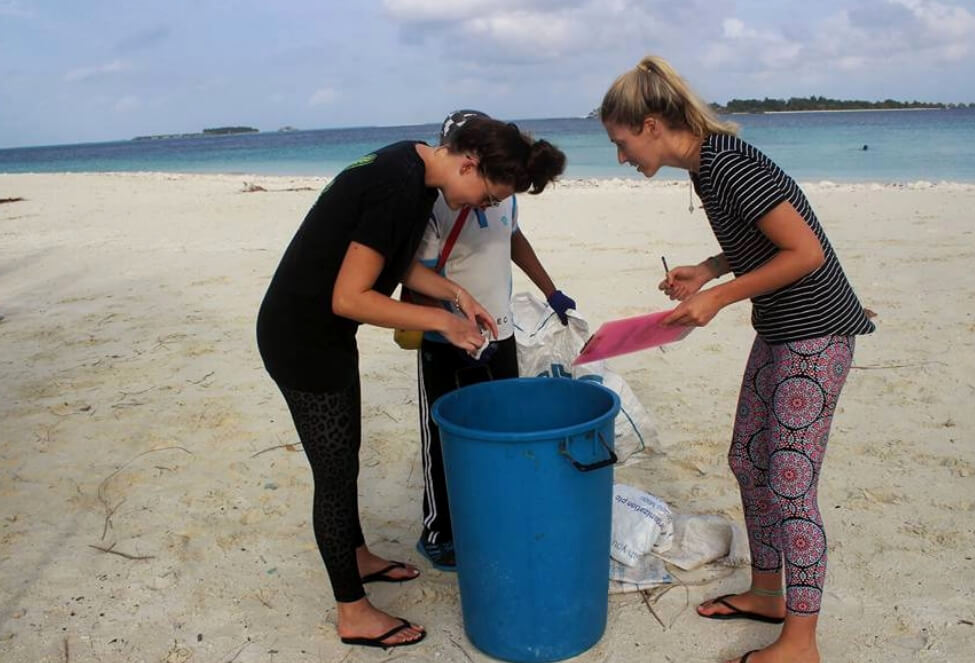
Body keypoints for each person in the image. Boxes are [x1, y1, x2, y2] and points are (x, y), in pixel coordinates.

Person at [600, 56, 875, 663]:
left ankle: (801, 642)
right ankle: (768, 592)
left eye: (620, 143)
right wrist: (711, 267)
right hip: (780, 327)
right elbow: (759, 239)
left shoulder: (727, 162)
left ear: (650, 125)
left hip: (819, 330)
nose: (621, 157)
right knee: (747, 460)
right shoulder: (706, 168)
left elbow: (804, 251)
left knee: (791, 484)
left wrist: (717, 297)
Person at [256, 119, 566, 649]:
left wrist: (453, 294)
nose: (485, 208)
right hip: (302, 337)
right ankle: (353, 613)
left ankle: (356, 556)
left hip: (320, 333)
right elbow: (349, 298)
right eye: (487, 195)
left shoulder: (410, 165)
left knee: (344, 457)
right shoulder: (397, 185)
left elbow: (395, 263)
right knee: (334, 473)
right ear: (469, 161)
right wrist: (444, 322)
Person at [413, 110, 572, 570]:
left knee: (501, 431)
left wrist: (550, 290)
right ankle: (438, 531)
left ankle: (491, 515)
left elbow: (514, 240)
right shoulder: (437, 201)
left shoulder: (505, 196)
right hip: (448, 339)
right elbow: (420, 275)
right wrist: (447, 320)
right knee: (443, 437)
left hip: (500, 334)